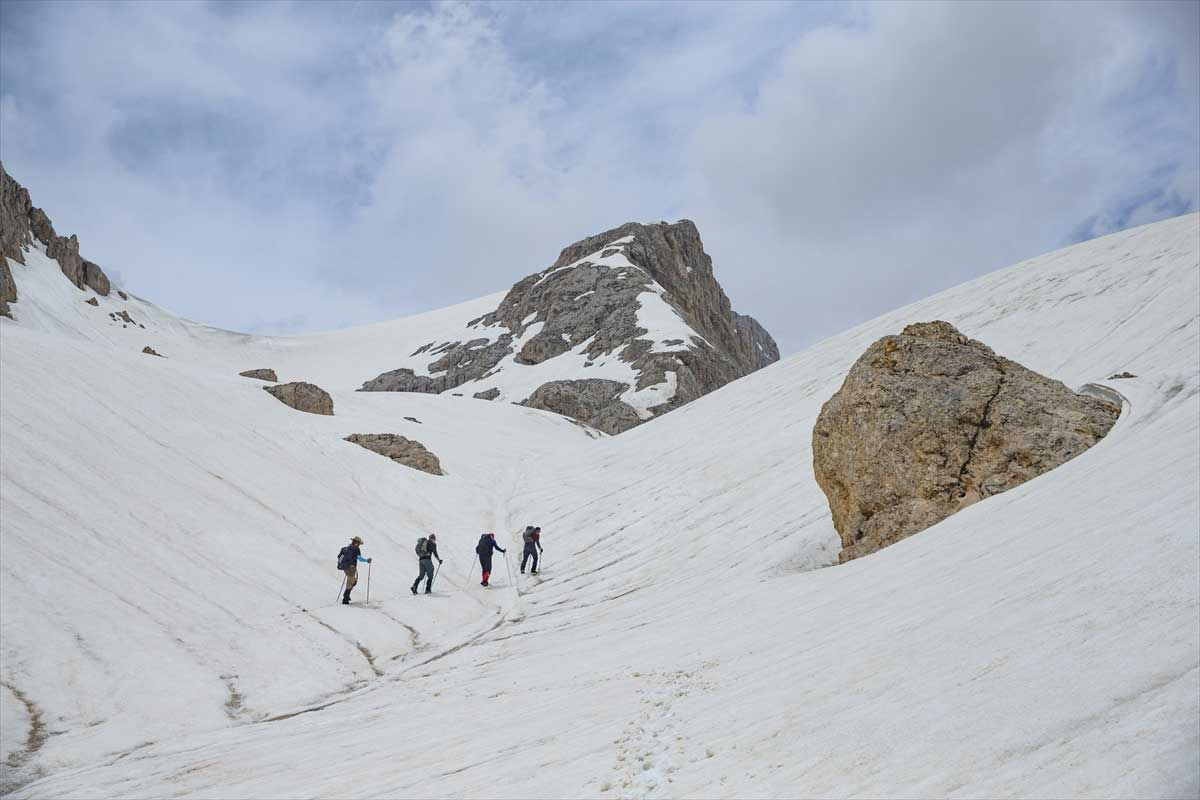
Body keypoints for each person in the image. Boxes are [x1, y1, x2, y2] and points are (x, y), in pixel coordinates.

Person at [337, 536, 371, 605]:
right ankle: (345, 598)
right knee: (351, 581)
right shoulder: (356, 549)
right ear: (357, 543)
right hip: (351, 568)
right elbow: (360, 558)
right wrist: (367, 560)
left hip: (345, 567)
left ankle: (347, 595)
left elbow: (339, 557)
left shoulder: (346, 548)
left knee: (353, 581)